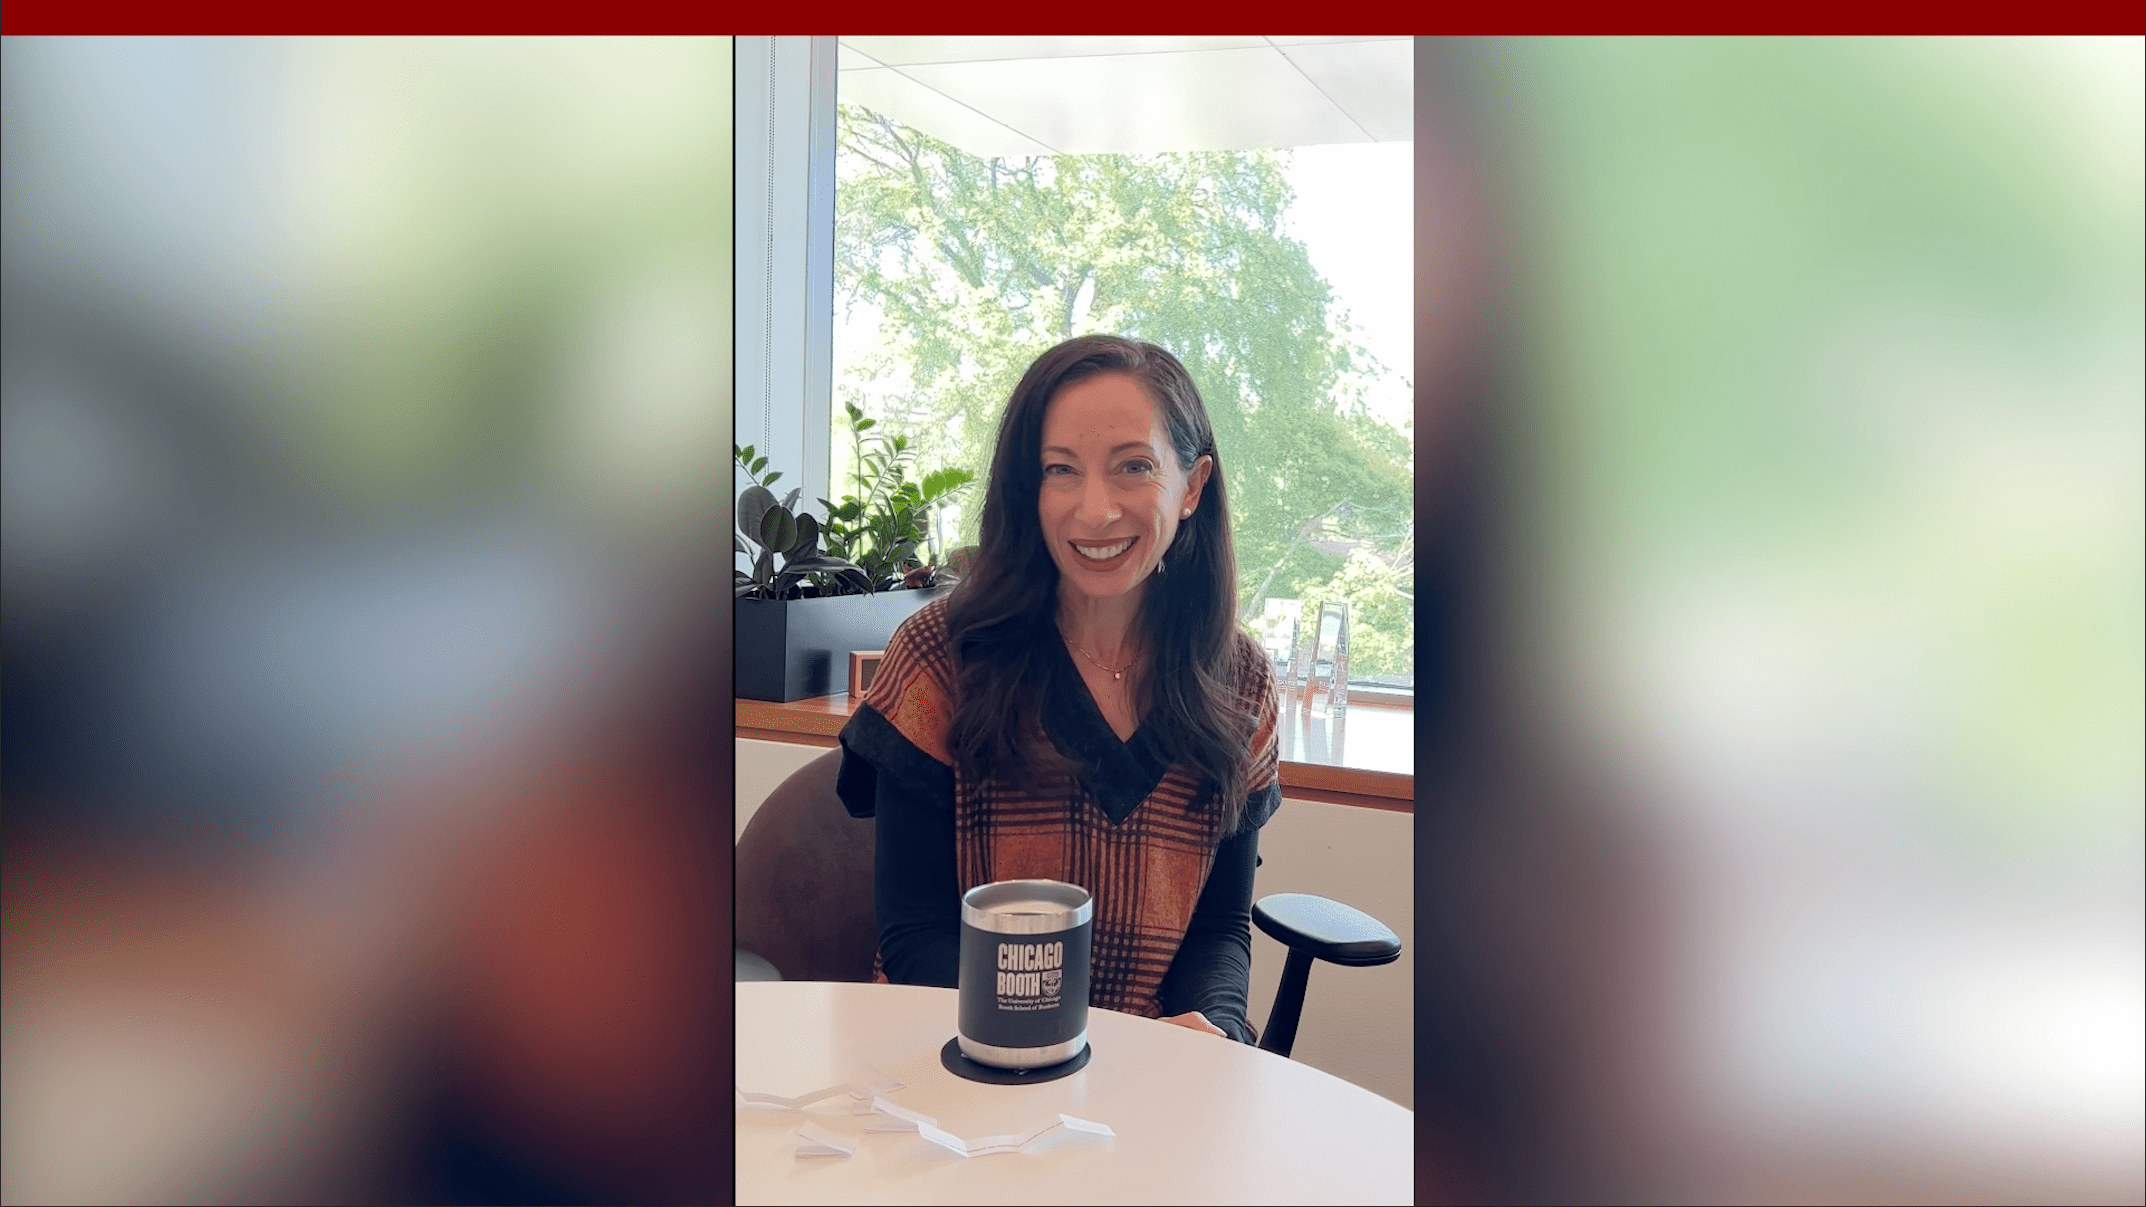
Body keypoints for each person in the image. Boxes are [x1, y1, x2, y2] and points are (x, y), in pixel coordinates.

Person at [835, 335, 1280, 1043]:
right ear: (1028, 489)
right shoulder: (938, 657)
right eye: (1060, 470)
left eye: (1134, 466)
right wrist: (1052, 1050)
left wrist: (1215, 1025)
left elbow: (1221, 929)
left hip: (1147, 1078)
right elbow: (914, 931)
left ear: (1192, 487)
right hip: (958, 1058)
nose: (1095, 510)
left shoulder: (1243, 682)